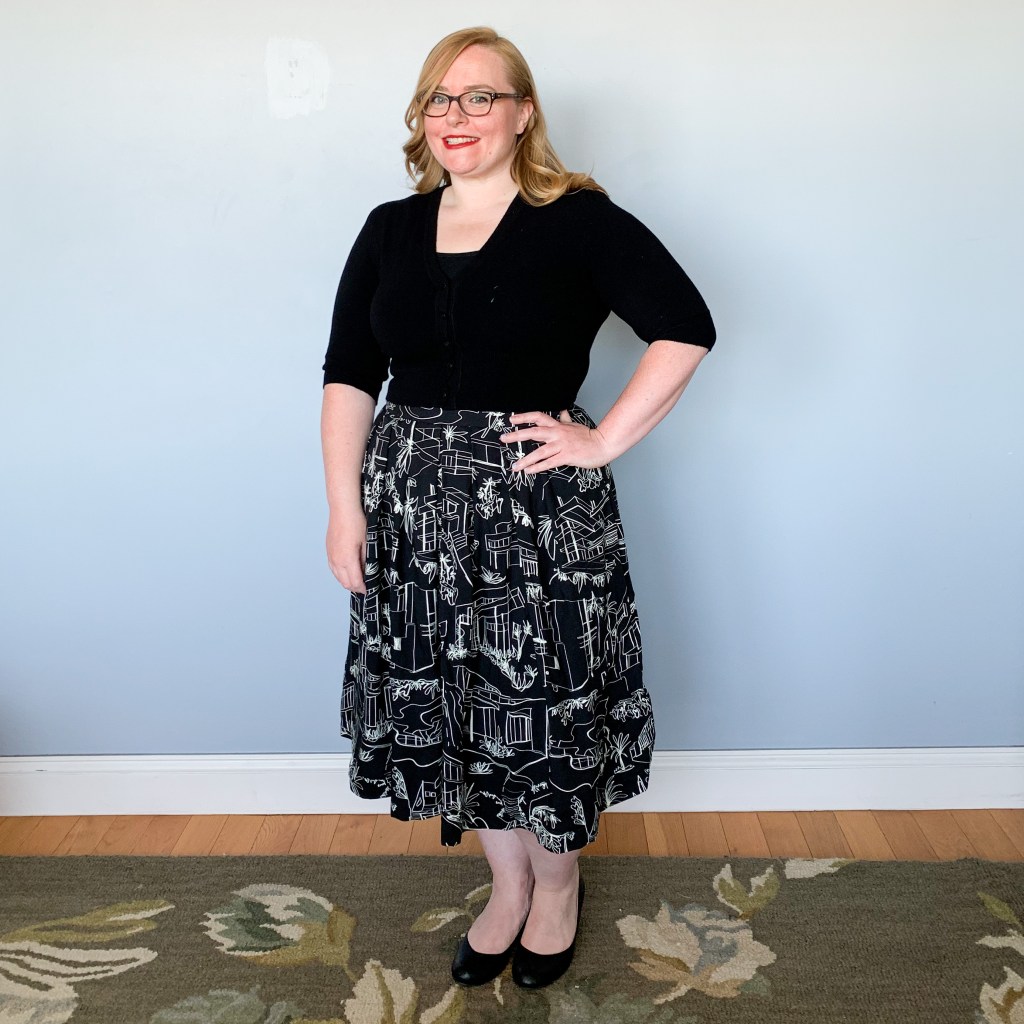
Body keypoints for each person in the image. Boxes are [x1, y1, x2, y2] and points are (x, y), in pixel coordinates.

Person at [320, 26, 715, 990]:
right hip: (412, 515)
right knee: (461, 708)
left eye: (479, 97)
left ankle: (558, 886)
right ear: (422, 116)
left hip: (536, 516)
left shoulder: (577, 220)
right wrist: (344, 509)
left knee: (540, 710)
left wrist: (602, 439)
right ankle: (507, 888)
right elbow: (348, 376)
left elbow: (684, 326)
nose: (456, 116)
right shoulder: (389, 228)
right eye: (439, 98)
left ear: (522, 112)